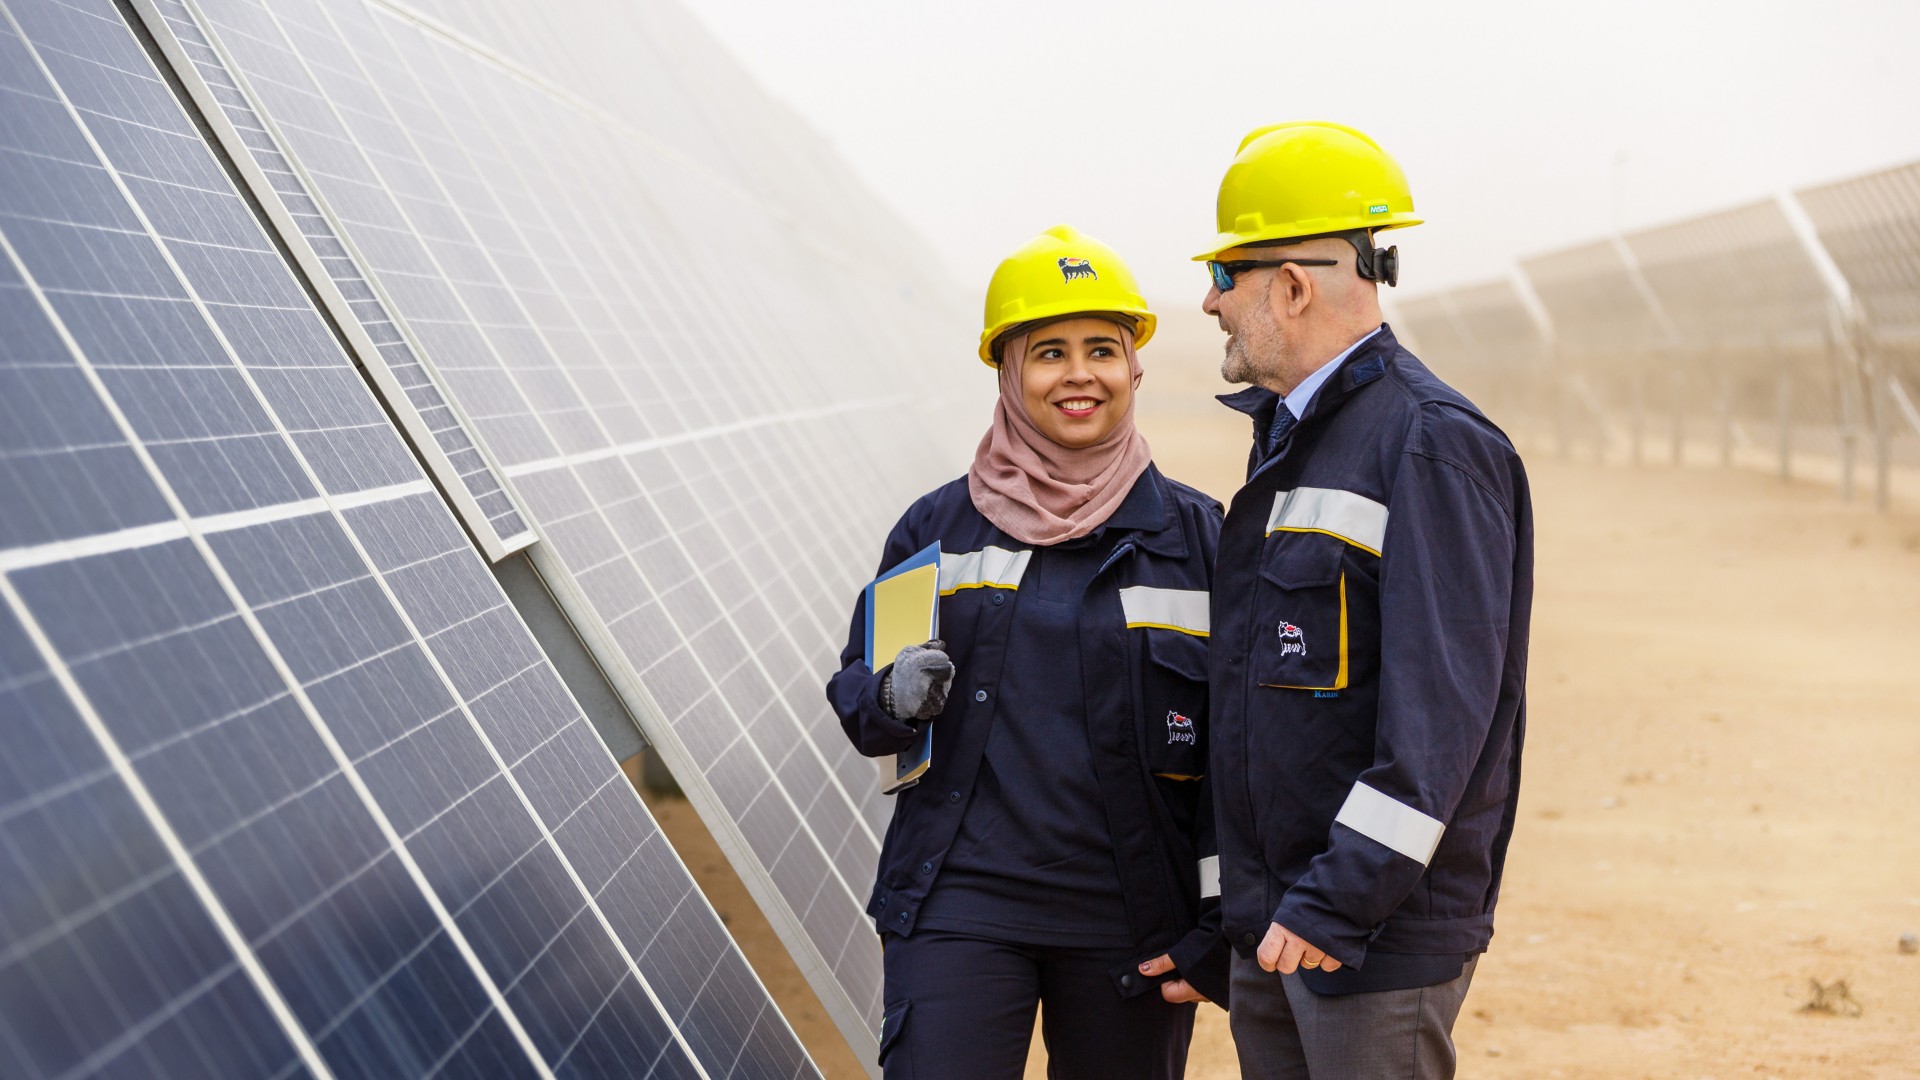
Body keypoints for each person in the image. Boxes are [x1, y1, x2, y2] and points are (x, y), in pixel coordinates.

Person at [827, 225, 1229, 1079]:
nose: (1079, 374)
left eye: (1102, 350)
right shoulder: (936, 530)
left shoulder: (1198, 539)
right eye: (1049, 352)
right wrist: (890, 697)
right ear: (1009, 372)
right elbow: (859, 701)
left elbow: (1245, 752)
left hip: (1132, 919)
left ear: (1135, 369)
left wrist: (1219, 920)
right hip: (961, 902)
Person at [1193, 122, 1534, 1079]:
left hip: (1366, 935)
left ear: (1293, 284)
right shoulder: (1295, 437)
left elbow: (1442, 718)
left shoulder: (1429, 444)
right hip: (1283, 923)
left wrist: (1336, 903)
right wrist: (1243, 908)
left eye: (1227, 274)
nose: (1209, 301)